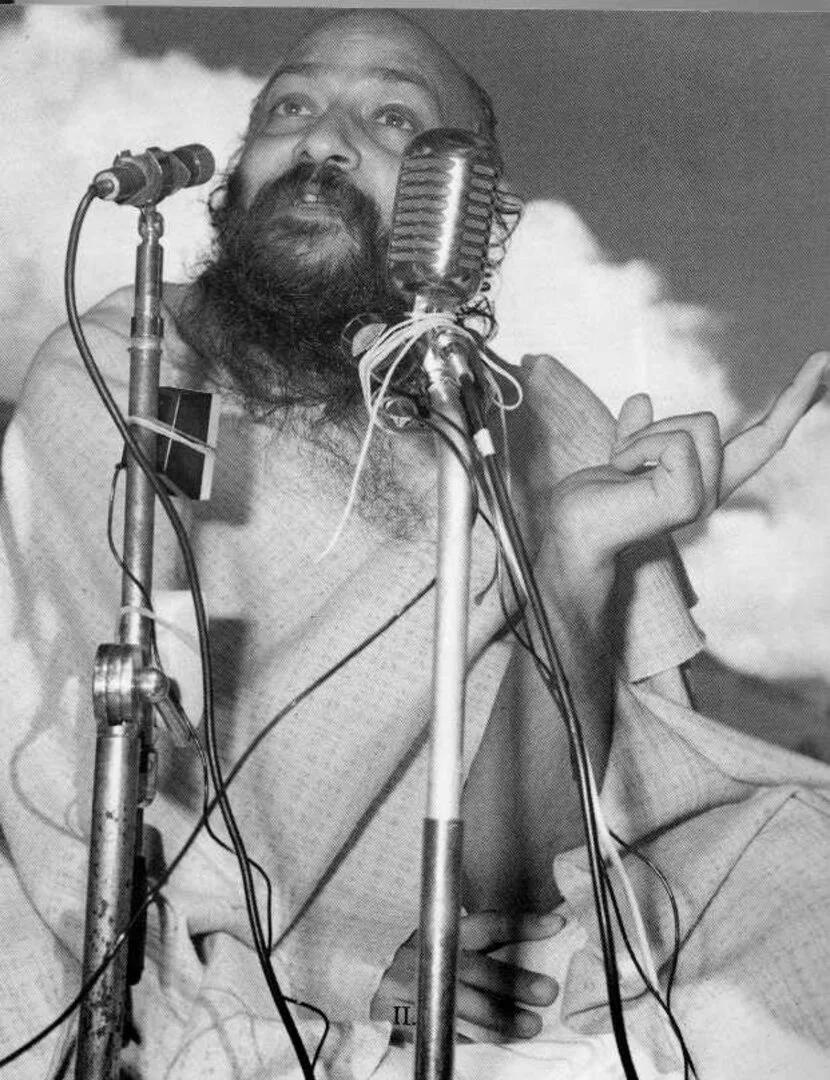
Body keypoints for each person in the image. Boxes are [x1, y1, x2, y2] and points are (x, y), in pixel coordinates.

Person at [1, 11, 828, 1080]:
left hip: (499, 941)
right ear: (235, 175)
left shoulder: (536, 425)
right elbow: (78, 782)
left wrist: (571, 560)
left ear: (469, 213)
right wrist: (333, 975)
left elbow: (526, 864)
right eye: (290, 107)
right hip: (221, 966)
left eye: (392, 119)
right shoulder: (131, 370)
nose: (322, 140)